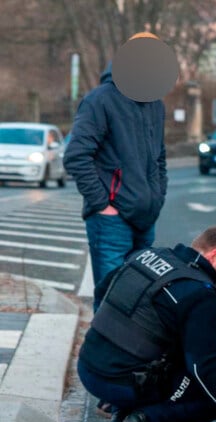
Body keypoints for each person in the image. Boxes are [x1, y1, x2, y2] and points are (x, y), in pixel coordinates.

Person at [77, 226, 216, 422]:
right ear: (213, 255)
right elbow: (203, 366)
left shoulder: (148, 255)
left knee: (167, 350)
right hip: (120, 383)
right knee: (212, 396)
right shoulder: (200, 292)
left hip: (88, 366)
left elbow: (102, 291)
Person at [64, 32, 178, 311]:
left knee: (139, 302)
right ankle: (101, 355)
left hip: (145, 218)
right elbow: (76, 156)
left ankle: (130, 356)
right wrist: (103, 205)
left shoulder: (155, 104)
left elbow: (159, 158)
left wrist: (157, 196)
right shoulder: (100, 100)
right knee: (111, 303)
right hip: (111, 222)